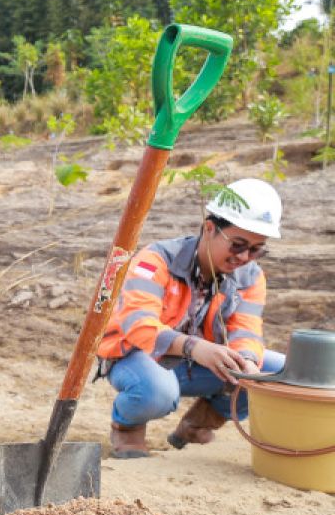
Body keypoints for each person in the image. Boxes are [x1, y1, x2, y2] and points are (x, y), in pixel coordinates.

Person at [99, 178, 286, 458]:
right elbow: (138, 324)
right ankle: (127, 430)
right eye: (238, 244)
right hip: (138, 358)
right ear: (209, 228)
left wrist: (246, 360)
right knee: (158, 391)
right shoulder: (156, 260)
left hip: (200, 362)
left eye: (257, 249)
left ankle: (195, 426)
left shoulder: (252, 276)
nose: (245, 257)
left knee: (275, 373)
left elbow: (246, 330)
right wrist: (194, 347)